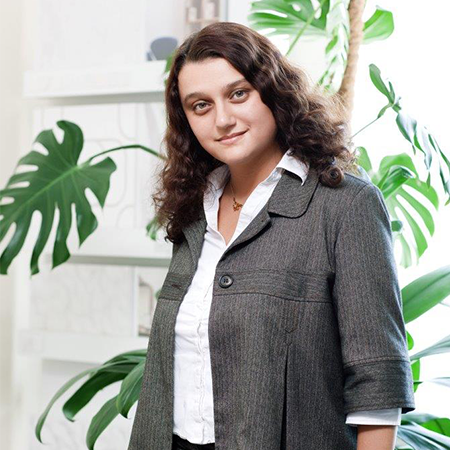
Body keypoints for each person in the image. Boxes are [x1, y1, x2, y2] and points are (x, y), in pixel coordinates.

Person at [128, 21, 415, 450]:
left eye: (238, 94)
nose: (223, 119)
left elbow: (378, 386)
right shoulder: (195, 210)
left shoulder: (345, 207)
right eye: (201, 105)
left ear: (272, 91)